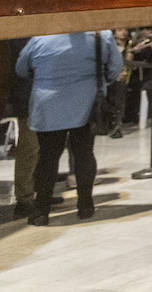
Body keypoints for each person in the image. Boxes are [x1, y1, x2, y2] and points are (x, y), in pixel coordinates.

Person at [15, 31, 122, 225]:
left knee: (47, 157)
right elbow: (116, 68)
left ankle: (42, 210)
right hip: (86, 103)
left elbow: (21, 68)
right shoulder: (101, 36)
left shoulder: (40, 38)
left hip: (48, 106)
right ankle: (85, 205)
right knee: (84, 153)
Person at [4, 38, 37, 220]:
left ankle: (32, 192)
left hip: (30, 94)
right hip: (25, 95)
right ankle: (24, 199)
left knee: (35, 147)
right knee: (29, 147)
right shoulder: (17, 35)